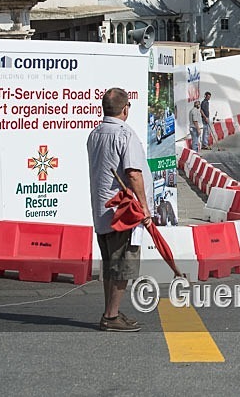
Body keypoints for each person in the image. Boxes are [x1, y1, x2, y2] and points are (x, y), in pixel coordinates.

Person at [87, 88, 152, 332]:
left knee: (110, 264)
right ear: (125, 109)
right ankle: (111, 316)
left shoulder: (95, 134)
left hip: (103, 211)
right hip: (123, 212)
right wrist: (144, 208)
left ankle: (110, 311)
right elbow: (133, 174)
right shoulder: (125, 135)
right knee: (123, 264)